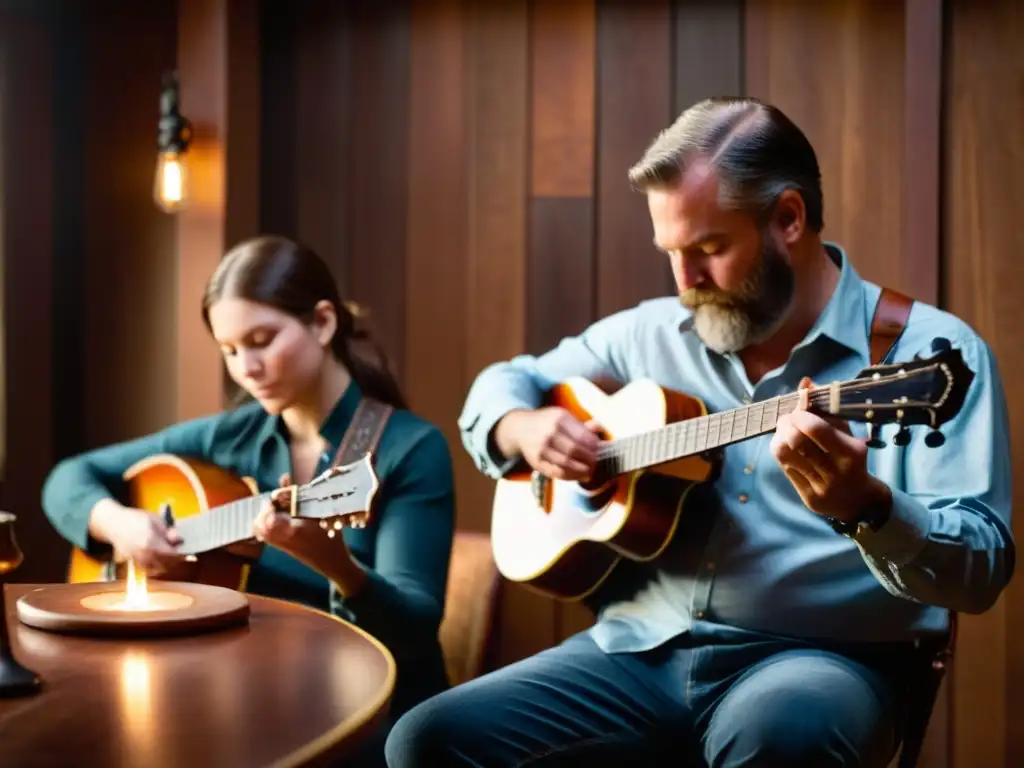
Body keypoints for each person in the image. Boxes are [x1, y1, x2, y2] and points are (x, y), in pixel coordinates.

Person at [384, 96, 1015, 767]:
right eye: (672, 252)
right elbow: (500, 385)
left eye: (710, 248)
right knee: (424, 741)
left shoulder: (926, 355)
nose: (686, 281)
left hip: (820, 659)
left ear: (789, 218)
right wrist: (523, 425)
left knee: (782, 735)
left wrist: (868, 507)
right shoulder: (648, 333)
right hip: (640, 648)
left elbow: (978, 571)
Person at [41, 235, 455, 763]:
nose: (245, 368)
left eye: (262, 340)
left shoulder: (410, 449)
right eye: (230, 350)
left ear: (323, 323)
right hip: (240, 695)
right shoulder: (233, 436)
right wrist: (118, 524)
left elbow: (417, 628)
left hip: (373, 715)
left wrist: (340, 569)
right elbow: (68, 477)